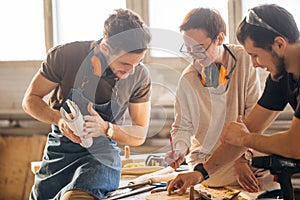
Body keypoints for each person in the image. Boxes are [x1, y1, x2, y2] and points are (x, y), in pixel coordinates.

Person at [167, 3, 300, 195]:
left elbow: (294, 145)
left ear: (279, 44)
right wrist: (200, 173)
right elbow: (251, 127)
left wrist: (245, 139)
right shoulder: (281, 77)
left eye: (255, 55)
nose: (254, 64)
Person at [22, 8, 152, 200]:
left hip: (100, 156)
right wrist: (59, 120)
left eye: (138, 62)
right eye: (125, 64)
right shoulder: (66, 56)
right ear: (106, 48)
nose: (132, 71)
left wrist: (107, 128)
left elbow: (140, 133)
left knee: (75, 198)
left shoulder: (139, 76)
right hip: (60, 150)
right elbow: (30, 100)